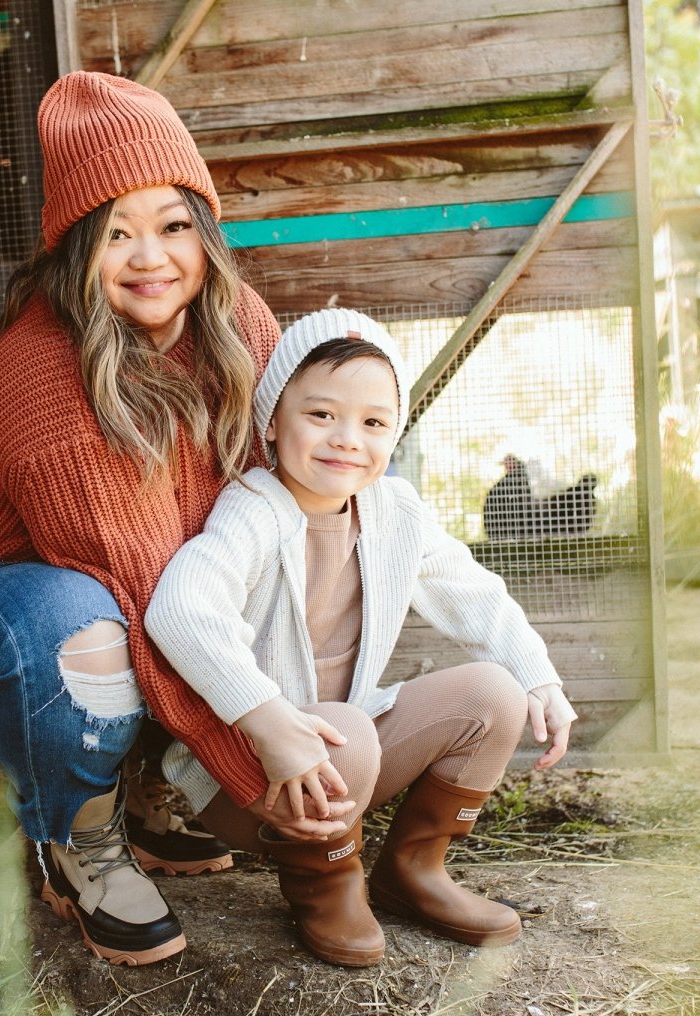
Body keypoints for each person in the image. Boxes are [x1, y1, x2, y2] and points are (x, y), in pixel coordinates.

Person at [0, 72, 335, 967]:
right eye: (118, 232)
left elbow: (268, 514)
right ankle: (78, 837)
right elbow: (148, 589)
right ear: (78, 247)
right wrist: (258, 757)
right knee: (81, 613)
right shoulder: (43, 374)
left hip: (126, 596)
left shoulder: (236, 323)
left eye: (174, 225)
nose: (152, 257)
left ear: (205, 230)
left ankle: (142, 788)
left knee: (224, 548)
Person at [145, 308, 577, 966]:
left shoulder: (394, 511)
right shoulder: (253, 509)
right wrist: (269, 721)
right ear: (271, 421)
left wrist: (538, 677)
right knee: (345, 729)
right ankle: (324, 882)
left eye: (374, 423)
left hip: (347, 755)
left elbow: (474, 594)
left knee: (495, 693)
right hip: (247, 775)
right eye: (321, 414)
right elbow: (179, 610)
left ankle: (413, 870)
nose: (347, 439)